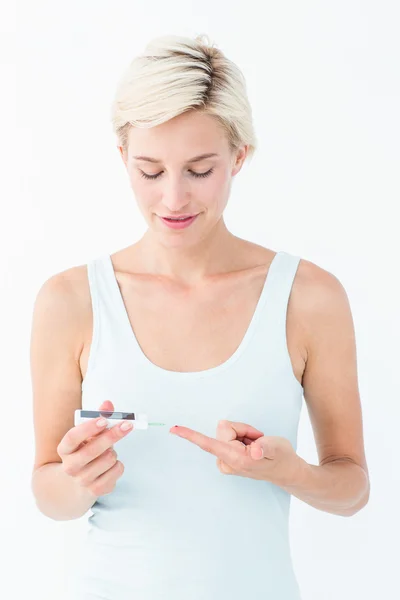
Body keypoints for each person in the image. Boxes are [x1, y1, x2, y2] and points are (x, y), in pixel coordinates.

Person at [30, 34, 370, 600]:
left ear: (239, 156)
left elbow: (352, 487)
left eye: (199, 169)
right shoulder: (70, 301)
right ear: (122, 159)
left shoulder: (308, 297)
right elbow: (47, 492)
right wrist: (77, 477)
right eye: (150, 171)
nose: (173, 199)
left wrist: (290, 473)